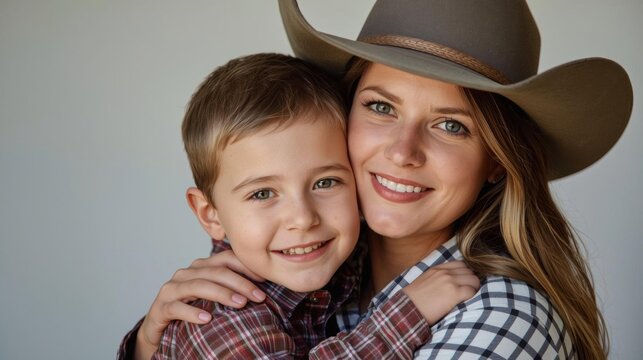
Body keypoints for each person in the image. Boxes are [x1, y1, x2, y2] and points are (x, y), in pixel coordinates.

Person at [121, 0, 633, 359]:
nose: (403, 152)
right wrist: (153, 341)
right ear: (343, 119)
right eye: (381, 107)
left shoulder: (500, 317)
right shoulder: (322, 277)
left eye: (451, 125)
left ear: (497, 159)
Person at [128, 52, 480, 359]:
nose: (303, 218)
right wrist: (407, 314)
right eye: (263, 194)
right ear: (209, 214)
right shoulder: (223, 315)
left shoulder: (344, 259)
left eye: (325, 183)